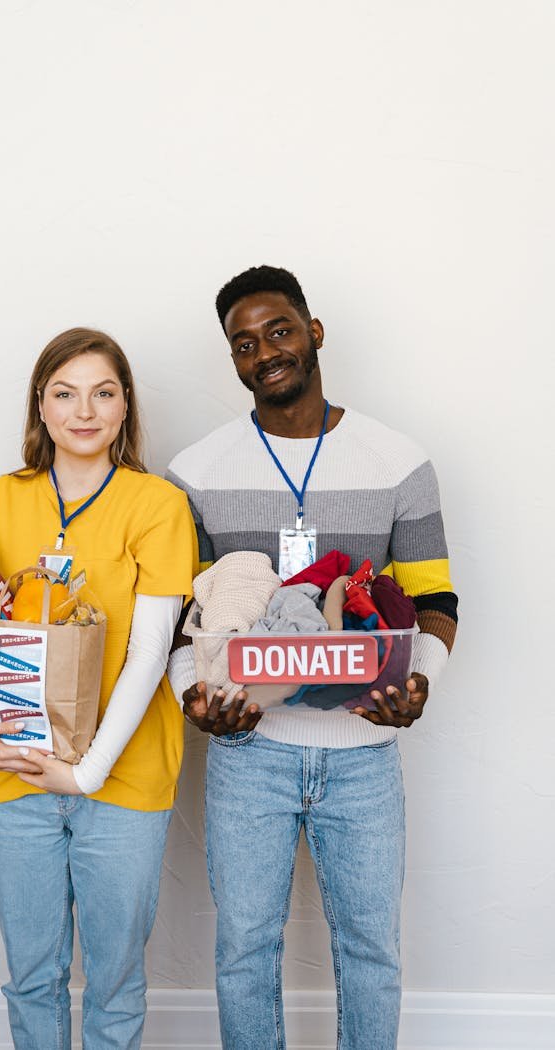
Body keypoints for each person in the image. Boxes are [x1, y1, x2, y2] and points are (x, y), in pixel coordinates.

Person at [166, 266, 458, 1050]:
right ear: (232, 360)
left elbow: (437, 603)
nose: (266, 352)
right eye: (244, 343)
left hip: (364, 753)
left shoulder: (398, 461)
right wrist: (197, 692)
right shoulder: (195, 473)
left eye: (280, 330)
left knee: (371, 954)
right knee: (242, 954)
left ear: (314, 331)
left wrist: (419, 677)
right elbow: (176, 618)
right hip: (248, 752)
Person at [0, 327, 198, 1050]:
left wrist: (84, 772)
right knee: (33, 975)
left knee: (115, 979)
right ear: (40, 407)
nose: (85, 410)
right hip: (11, 768)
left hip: (123, 779)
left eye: (104, 392)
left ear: (125, 408)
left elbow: (148, 652)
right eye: (65, 393)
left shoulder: (156, 505)